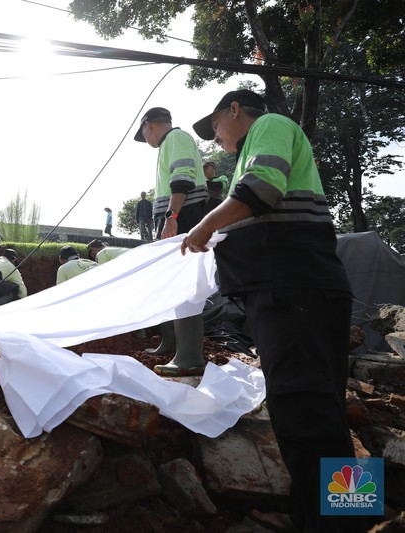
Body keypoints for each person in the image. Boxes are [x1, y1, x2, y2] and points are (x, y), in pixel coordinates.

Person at [184, 89, 365, 532]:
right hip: (297, 288)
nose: (217, 139)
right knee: (319, 408)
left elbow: (262, 188)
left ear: (234, 110)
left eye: (216, 128)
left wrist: (205, 225)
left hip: (293, 288)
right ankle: (341, 513)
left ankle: (338, 524)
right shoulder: (257, 149)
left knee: (304, 405)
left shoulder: (271, 126)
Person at [134, 107, 208, 376]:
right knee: (169, 283)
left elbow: (182, 178)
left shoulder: (176, 139)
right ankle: (171, 343)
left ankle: (188, 355)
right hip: (174, 217)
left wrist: (172, 216)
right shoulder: (168, 144)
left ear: (148, 126)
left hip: (183, 216)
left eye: (145, 134)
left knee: (183, 284)